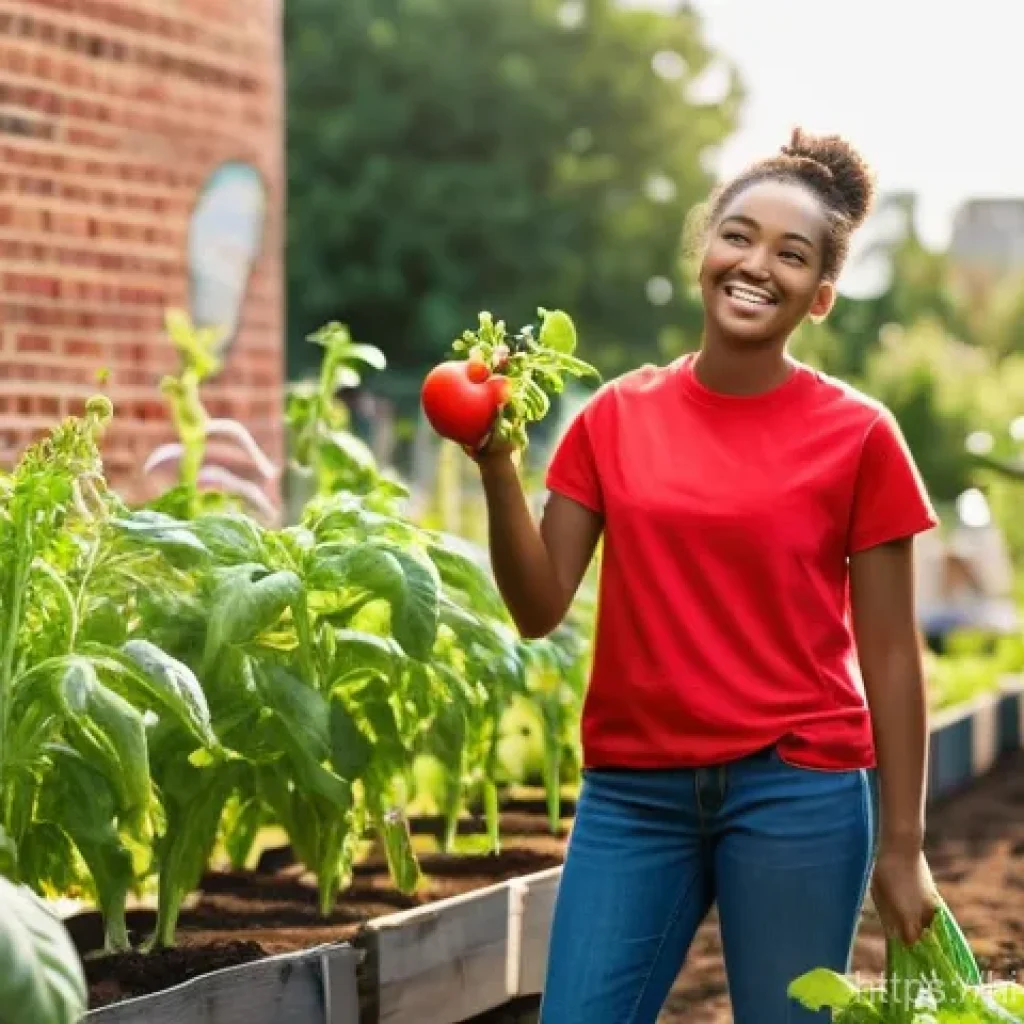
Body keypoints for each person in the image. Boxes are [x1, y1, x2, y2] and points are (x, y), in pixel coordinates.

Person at [468, 128, 942, 1023]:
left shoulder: (862, 435)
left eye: (791, 255)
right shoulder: (614, 417)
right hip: (633, 795)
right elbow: (538, 607)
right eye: (739, 235)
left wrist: (905, 847)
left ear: (821, 296)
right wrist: (498, 466)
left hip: (797, 788)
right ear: (705, 250)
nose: (757, 265)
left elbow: (889, 652)